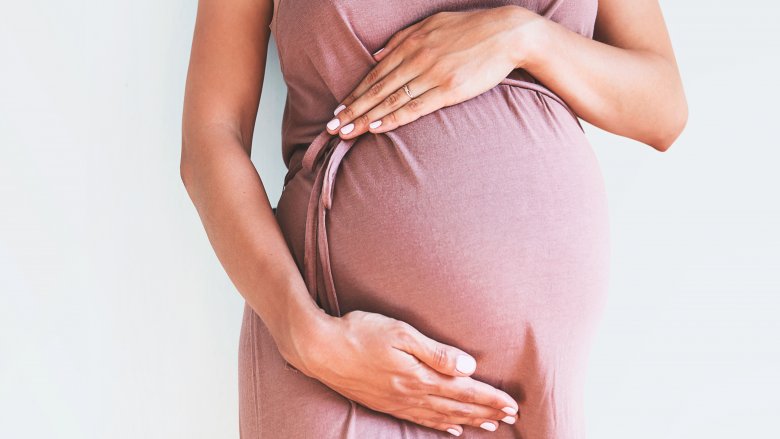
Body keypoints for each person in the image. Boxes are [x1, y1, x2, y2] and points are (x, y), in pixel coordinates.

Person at [180, 0, 687, 436]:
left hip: (536, 388)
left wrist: (523, 36)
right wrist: (305, 336)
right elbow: (210, 138)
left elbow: (663, 108)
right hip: (343, 362)